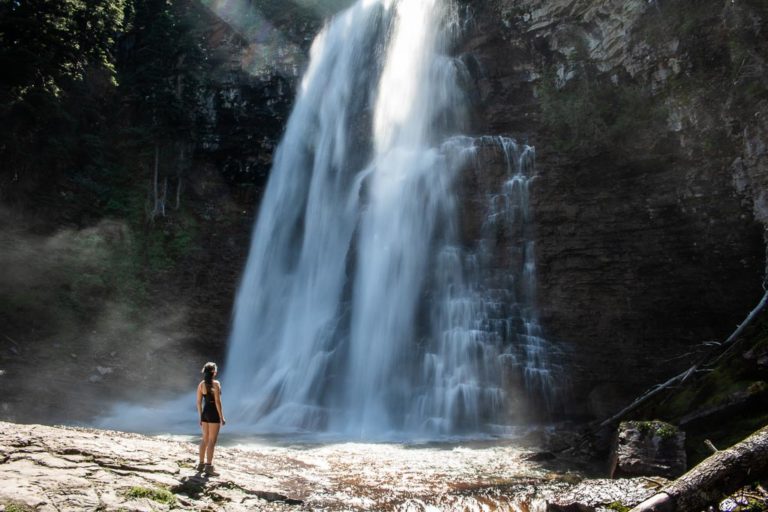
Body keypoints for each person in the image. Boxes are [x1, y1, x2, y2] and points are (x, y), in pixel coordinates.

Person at [197, 362, 226, 475]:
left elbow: (199, 402)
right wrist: (221, 417)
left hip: (205, 412)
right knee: (212, 441)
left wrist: (200, 416)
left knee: (204, 439)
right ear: (214, 372)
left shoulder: (201, 384)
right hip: (213, 413)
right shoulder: (216, 384)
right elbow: (218, 402)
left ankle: (201, 464)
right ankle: (209, 467)